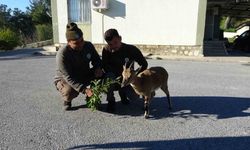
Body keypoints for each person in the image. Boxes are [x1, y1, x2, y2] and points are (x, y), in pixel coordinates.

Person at [54, 22, 103, 110]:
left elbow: (97, 60)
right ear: (68, 42)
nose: (81, 45)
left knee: (102, 75)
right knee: (70, 90)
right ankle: (67, 100)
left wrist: (98, 68)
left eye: (82, 40)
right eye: (76, 43)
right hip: (66, 79)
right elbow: (68, 77)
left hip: (84, 74)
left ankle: (91, 97)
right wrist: (85, 90)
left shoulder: (88, 45)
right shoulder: (62, 54)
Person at [102, 28, 148, 112]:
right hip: (114, 79)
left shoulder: (131, 49)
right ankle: (111, 101)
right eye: (110, 44)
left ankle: (122, 93)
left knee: (135, 97)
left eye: (115, 42)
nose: (113, 46)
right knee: (108, 77)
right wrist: (116, 77)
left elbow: (144, 64)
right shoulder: (106, 49)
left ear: (120, 38)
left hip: (128, 80)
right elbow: (104, 66)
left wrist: (136, 77)